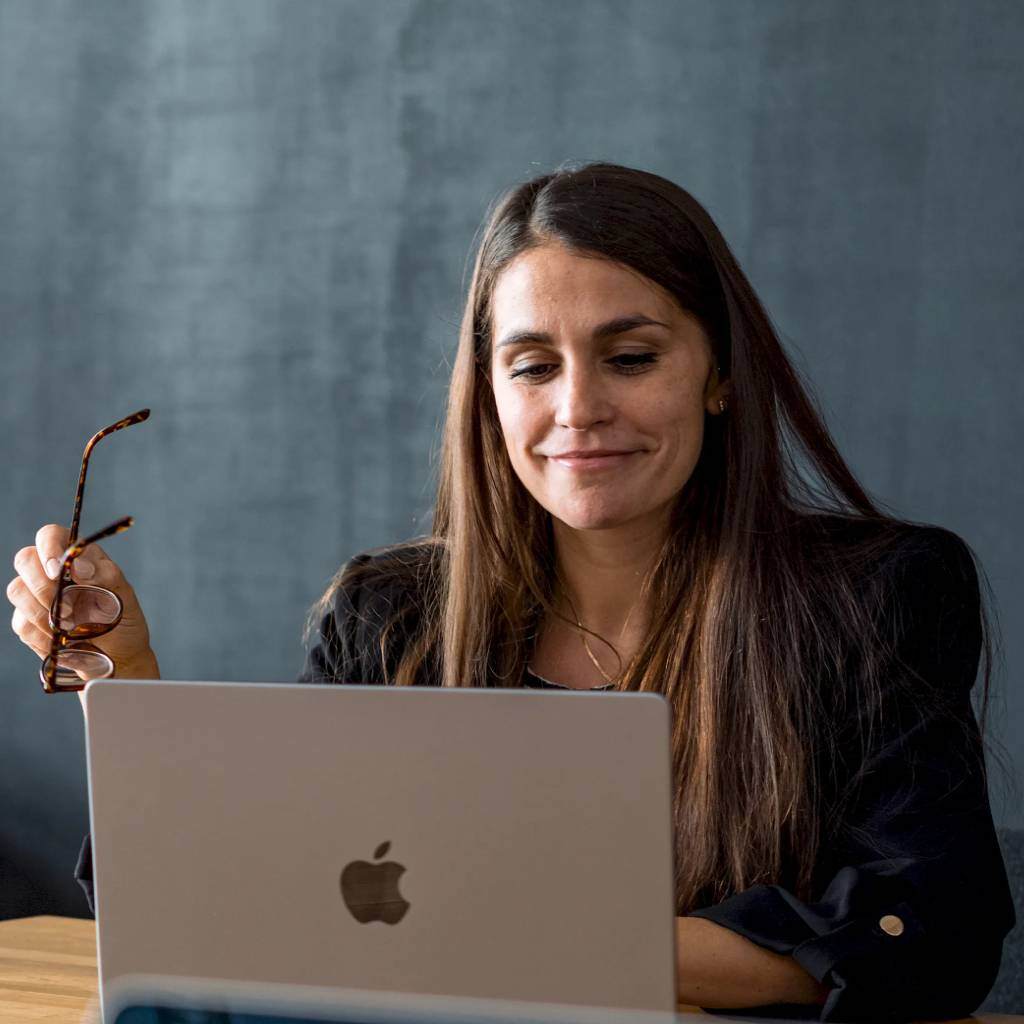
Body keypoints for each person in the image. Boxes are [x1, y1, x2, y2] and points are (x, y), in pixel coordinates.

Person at [8, 161, 1015, 1021]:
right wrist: (126, 678)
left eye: (630, 357)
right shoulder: (386, 615)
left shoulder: (875, 595)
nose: (578, 407)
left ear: (716, 372)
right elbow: (245, 906)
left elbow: (932, 933)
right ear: (487, 397)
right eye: (532, 365)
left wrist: (526, 948)